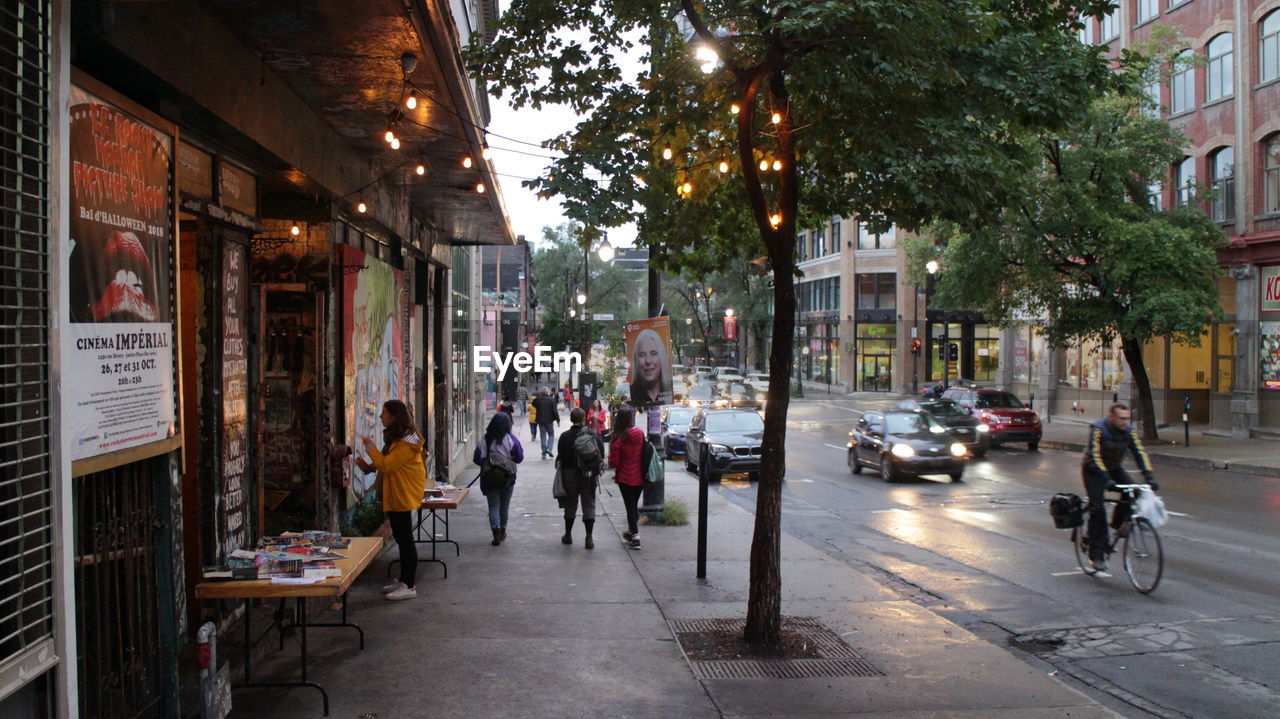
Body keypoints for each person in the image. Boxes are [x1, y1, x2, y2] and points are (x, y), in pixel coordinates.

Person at [356, 400, 427, 601]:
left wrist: (370, 446)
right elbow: (385, 463)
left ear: (394, 416)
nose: (381, 417)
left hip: (402, 496)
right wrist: (369, 465)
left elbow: (387, 465)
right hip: (398, 495)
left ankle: (409, 585)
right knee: (402, 539)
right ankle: (405, 580)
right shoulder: (400, 440)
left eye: (384, 413)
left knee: (405, 541)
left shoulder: (406, 444)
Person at [1080, 403, 1157, 573]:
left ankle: (1116, 525)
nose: (1124, 422)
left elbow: (1139, 453)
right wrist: (1106, 479)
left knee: (1134, 491)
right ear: (1111, 417)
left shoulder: (1129, 432)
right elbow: (1096, 455)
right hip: (1093, 469)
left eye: (1126, 418)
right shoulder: (1099, 429)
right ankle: (1097, 554)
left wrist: (1149, 476)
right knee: (1098, 508)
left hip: (1114, 468)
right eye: (1121, 418)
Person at [473, 412, 525, 546]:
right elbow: (519, 458)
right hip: (507, 478)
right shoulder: (510, 439)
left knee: (493, 507)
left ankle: (495, 534)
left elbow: (476, 458)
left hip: (489, 478)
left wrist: (490, 464)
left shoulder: (485, 440)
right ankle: (502, 531)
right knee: (504, 506)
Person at [556, 407, 604, 549]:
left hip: (570, 474)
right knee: (589, 504)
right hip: (588, 475)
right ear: (584, 419)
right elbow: (601, 453)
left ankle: (568, 535)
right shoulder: (592, 434)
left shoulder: (565, 436)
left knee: (570, 504)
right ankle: (588, 537)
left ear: (571, 419)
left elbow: (561, 456)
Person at [608, 406, 647, 550]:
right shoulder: (639, 433)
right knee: (634, 506)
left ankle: (636, 538)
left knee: (630, 508)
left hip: (625, 477)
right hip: (640, 477)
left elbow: (614, 462)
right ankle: (631, 532)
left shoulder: (620, 437)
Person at [629, 328, 672, 407]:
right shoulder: (630, 393)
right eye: (642, 354)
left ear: (661, 357)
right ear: (636, 360)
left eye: (653, 353)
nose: (648, 361)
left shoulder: (672, 389)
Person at [531, 387, 560, 459]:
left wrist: (538, 396)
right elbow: (554, 411)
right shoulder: (551, 400)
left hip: (541, 421)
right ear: (548, 393)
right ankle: (549, 449)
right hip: (549, 421)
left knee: (543, 436)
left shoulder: (538, 400)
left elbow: (533, 403)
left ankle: (543, 453)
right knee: (551, 435)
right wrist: (558, 420)